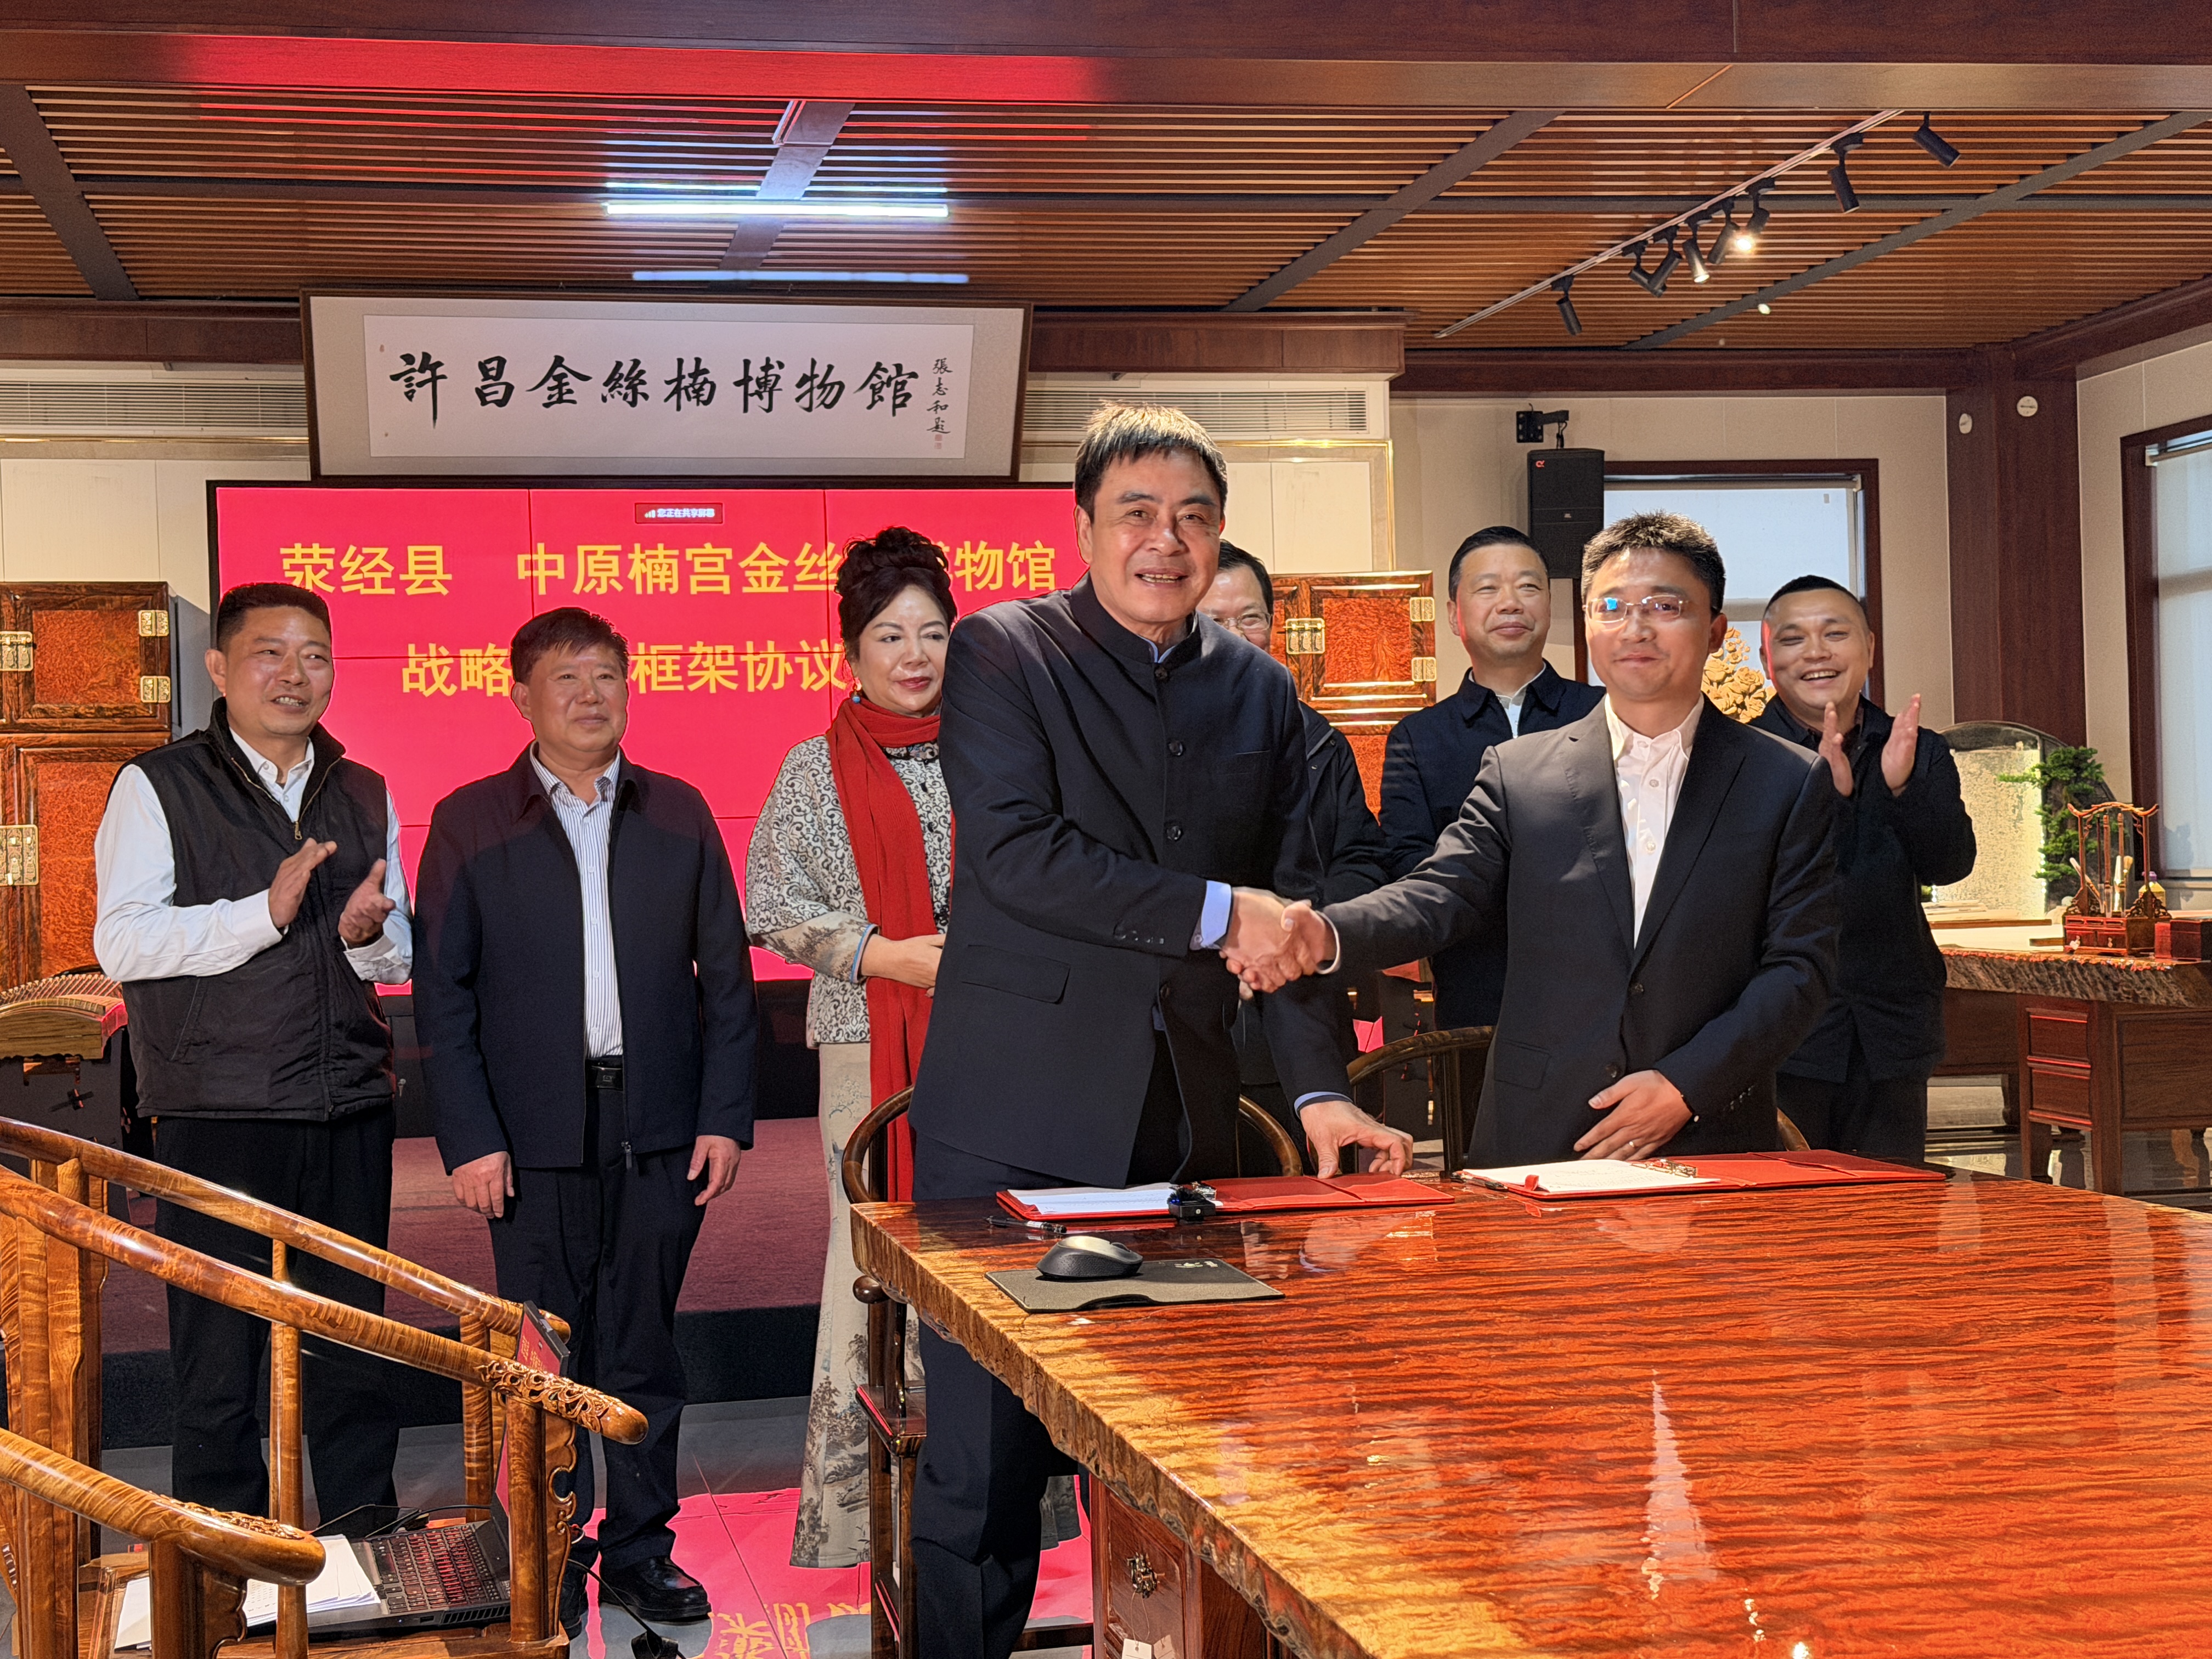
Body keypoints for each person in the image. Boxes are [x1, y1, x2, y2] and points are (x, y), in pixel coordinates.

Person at [908, 403, 1410, 1659]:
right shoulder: (1004, 652)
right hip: (1012, 1127)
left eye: (1194, 517)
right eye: (1137, 512)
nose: (1165, 541)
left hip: (1177, 1133)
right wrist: (1223, 910)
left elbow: (1294, 910)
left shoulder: (1260, 689)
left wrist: (1319, 1093)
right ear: (1084, 526)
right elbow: (1019, 857)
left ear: (1221, 534)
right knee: (982, 1477)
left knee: (1170, 1460)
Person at [1226, 512, 1840, 1167]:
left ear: (1715, 629)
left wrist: (1685, 1084)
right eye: (1613, 606)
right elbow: (1437, 896)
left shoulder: (1787, 781)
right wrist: (1324, 934)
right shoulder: (1519, 773)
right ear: (1588, 624)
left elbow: (1800, 970)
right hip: (1542, 1132)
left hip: (1709, 1131)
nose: (1636, 627)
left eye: (1665, 606)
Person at [414, 607, 757, 1634]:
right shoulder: (470, 820)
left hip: (660, 1126)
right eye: (566, 677)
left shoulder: (678, 812)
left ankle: (644, 1550)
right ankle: (549, 1552)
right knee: (543, 1358)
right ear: (520, 695)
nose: (590, 695)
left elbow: (727, 983)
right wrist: (471, 1136)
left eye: (607, 674)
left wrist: (724, 1118)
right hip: (529, 1140)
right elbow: (443, 997)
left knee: (644, 1351)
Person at [92, 580, 410, 1530]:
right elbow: (124, 942)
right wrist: (261, 914)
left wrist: (364, 937)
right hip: (218, 1108)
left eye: (314, 655)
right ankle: (222, 1549)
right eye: (270, 653)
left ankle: (363, 1534)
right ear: (221, 669)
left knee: (354, 1342)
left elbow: (397, 955)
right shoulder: (158, 784)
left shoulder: (363, 788)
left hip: (348, 1100)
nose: (294, 674)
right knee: (219, 1354)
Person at [746, 528, 957, 1570]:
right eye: (890, 635)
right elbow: (770, 903)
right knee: (871, 1266)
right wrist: (885, 954)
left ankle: (978, 1506)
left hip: (994, 1041)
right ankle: (869, 1516)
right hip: (864, 1046)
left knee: (980, 1258)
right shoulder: (811, 769)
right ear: (852, 652)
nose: (914, 655)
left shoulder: (998, 750)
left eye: (932, 633)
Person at [1753, 575, 1976, 1161]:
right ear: (1767, 658)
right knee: (1788, 1206)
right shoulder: (1741, 757)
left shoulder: (1915, 747)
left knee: (1894, 1204)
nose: (1817, 653)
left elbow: (1950, 864)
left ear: (1870, 648)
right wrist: (1832, 802)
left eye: (1835, 634)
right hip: (1783, 1032)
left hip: (1892, 1024)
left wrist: (1902, 789)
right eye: (1794, 639)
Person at [1197, 541, 1390, 1153]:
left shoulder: (1319, 742)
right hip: (1188, 1019)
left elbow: (1362, 860)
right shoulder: (1148, 741)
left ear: (1273, 625)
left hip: (1298, 1026)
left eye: (1250, 618)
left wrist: (1296, 930)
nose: (1236, 636)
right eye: (1214, 620)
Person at [1378, 526, 1602, 1028]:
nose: (1510, 603)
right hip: (1475, 997)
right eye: (1488, 588)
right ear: (1454, 614)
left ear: (1550, 605)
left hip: (1598, 997)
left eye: (1528, 587)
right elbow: (1409, 863)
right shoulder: (1418, 737)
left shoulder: (1604, 714)